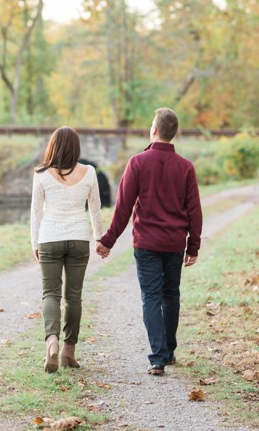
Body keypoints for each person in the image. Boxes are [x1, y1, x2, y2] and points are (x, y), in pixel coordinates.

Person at [95, 107, 203, 376]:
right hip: (175, 243)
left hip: (146, 243)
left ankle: (158, 357)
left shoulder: (138, 162)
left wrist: (108, 240)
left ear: (154, 130)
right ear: (173, 132)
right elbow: (194, 211)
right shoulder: (186, 167)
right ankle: (168, 350)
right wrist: (193, 246)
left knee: (152, 297)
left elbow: (123, 207)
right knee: (171, 294)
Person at [30, 126, 104, 373]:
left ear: (53, 146)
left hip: (49, 238)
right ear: (76, 147)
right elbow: (95, 209)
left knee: (50, 294)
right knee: (73, 297)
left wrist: (34, 243)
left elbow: (35, 213)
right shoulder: (89, 172)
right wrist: (99, 238)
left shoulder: (41, 174)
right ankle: (68, 352)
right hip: (78, 239)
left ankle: (51, 342)